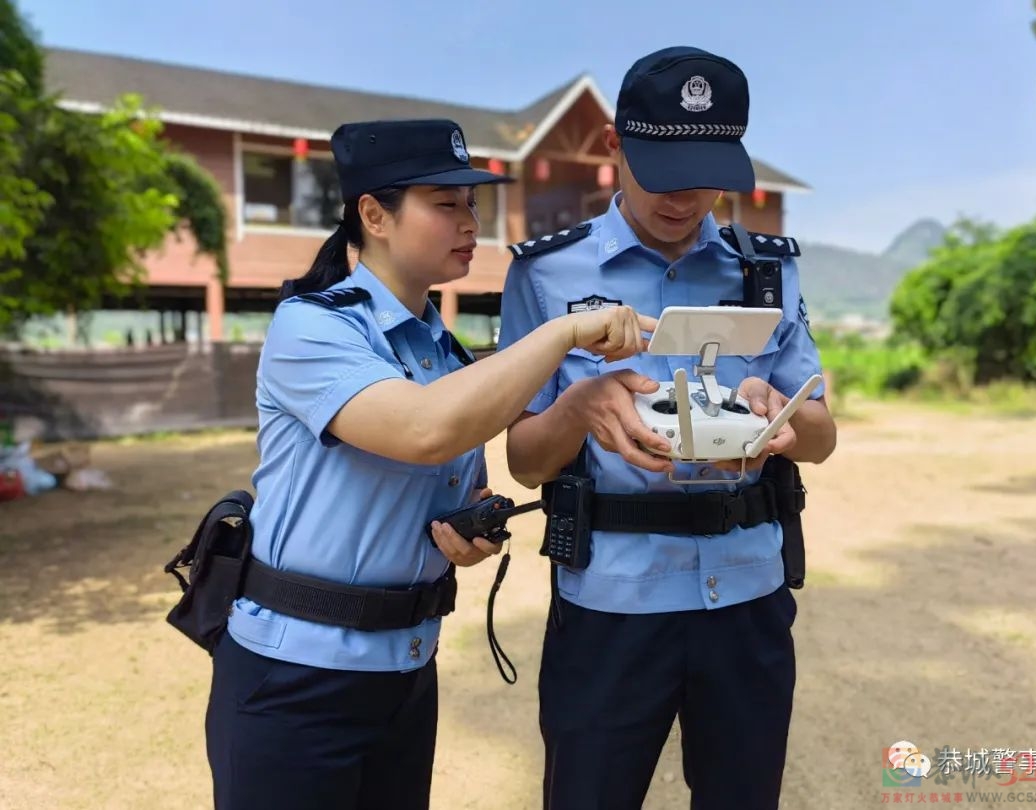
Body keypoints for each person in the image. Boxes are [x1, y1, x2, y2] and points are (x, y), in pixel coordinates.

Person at [203, 117, 656, 810]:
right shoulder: (314, 325)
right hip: (294, 676)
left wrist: (467, 536)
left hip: (406, 670)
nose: (470, 221)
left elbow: (454, 477)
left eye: (472, 204)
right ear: (373, 215)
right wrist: (564, 330)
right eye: (446, 204)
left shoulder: (443, 352)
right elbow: (424, 430)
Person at [497, 47, 838, 809]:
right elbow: (522, 459)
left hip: (747, 594)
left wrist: (781, 421)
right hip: (612, 600)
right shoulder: (545, 274)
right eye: (661, 168)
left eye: (706, 172)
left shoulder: (768, 270)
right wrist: (578, 410)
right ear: (615, 146)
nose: (684, 196)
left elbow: (820, 431)